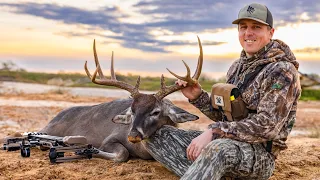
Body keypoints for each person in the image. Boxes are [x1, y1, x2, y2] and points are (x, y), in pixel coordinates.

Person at [144, 2, 301, 180]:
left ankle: (207, 171)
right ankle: (210, 172)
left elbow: (267, 127)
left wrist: (214, 132)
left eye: (256, 27)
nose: (248, 33)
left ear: (270, 32)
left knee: (216, 149)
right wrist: (198, 97)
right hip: (228, 143)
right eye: (243, 27)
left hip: (259, 156)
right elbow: (226, 117)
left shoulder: (282, 71)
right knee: (158, 135)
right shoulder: (236, 68)